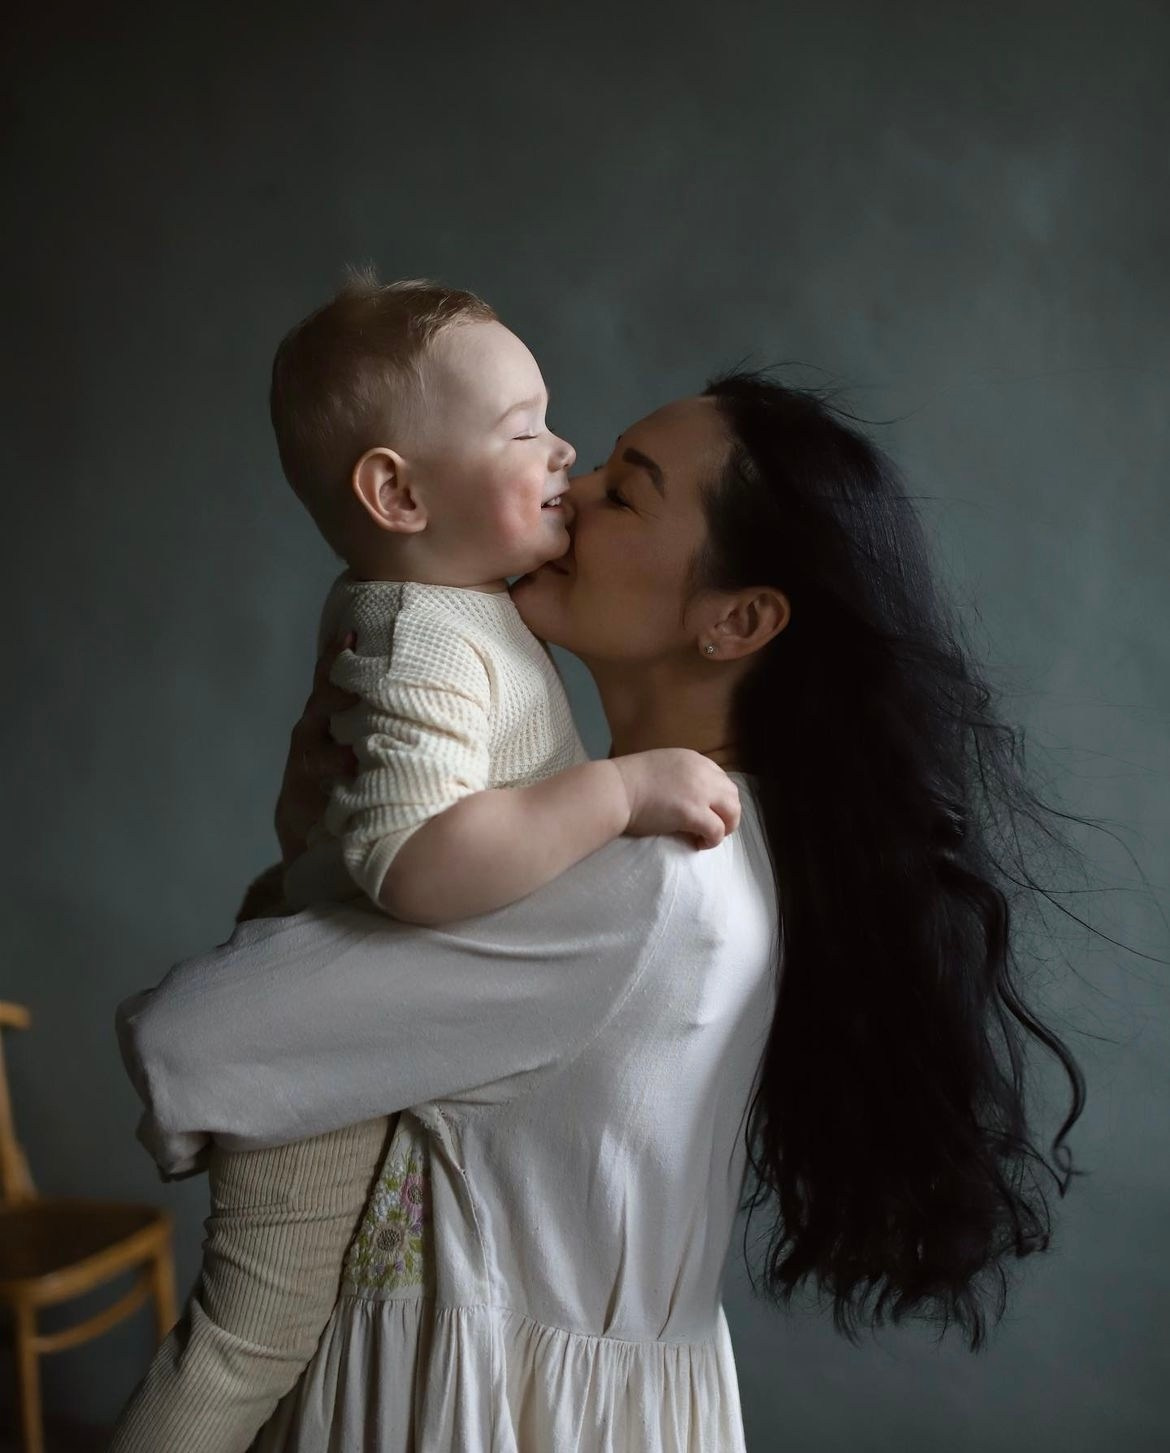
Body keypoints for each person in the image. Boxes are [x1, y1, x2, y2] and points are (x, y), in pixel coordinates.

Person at [116, 370, 1086, 1452]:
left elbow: (196, 1038)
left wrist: (307, 865)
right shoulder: (731, 845)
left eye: (629, 492)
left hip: (457, 1413)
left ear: (739, 618)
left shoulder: (646, 879)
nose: (569, 490)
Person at [109, 272, 740, 1453]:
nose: (565, 456)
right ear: (397, 489)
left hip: (360, 1042)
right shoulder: (424, 634)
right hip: (320, 1072)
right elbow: (414, 870)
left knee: (275, 1359)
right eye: (525, 430)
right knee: (249, 1346)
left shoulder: (458, 611)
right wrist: (613, 788)